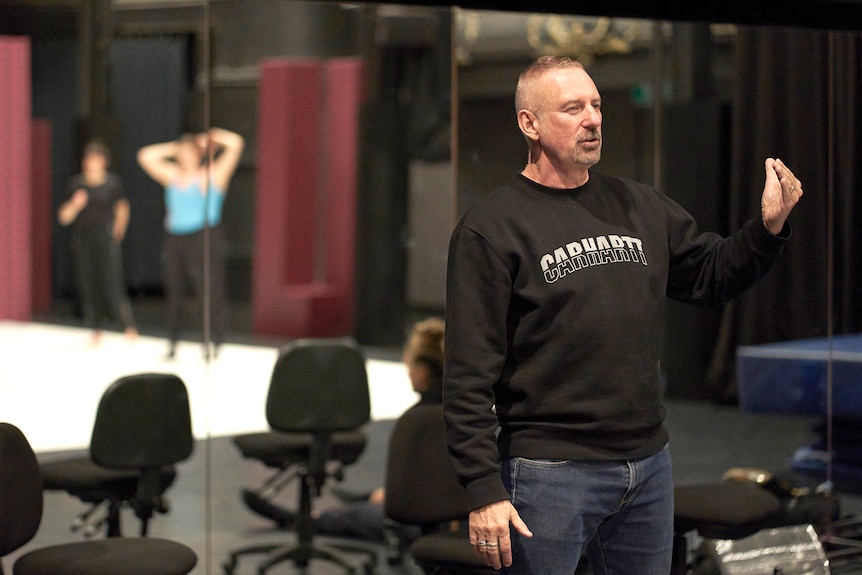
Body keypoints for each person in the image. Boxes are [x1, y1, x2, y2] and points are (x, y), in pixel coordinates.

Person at [442, 56, 803, 575]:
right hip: (548, 472)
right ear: (530, 124)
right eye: (573, 108)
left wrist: (766, 232)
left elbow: (710, 274)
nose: (592, 118)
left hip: (647, 466)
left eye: (596, 105)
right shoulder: (491, 229)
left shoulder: (639, 205)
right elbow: (467, 376)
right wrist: (483, 489)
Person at [244, 317, 446, 545]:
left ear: (421, 372)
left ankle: (301, 520)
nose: (406, 369)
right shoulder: (456, 409)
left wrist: (392, 497)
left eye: (408, 364)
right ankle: (366, 498)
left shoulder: (418, 421)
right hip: (445, 514)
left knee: (348, 518)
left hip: (420, 522)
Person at [136, 127, 244, 359]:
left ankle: (212, 340)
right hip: (176, 238)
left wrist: (212, 137)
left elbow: (236, 144)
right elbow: (144, 156)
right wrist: (175, 147)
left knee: (208, 289)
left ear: (198, 154)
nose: (184, 157)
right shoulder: (173, 175)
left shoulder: (212, 175)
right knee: (174, 289)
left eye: (189, 152)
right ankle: (173, 342)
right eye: (181, 153)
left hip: (203, 235)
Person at [58, 139, 138, 345]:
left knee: (112, 281)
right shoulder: (76, 185)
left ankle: (126, 326)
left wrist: (118, 231)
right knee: (87, 282)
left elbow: (122, 207)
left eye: (95, 159)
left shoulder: (112, 184)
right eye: (88, 159)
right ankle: (95, 327)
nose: (91, 163)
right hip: (83, 238)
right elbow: (64, 217)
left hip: (105, 235)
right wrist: (76, 204)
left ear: (103, 161)